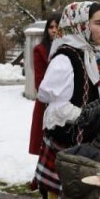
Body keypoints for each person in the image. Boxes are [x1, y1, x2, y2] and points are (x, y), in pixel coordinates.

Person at [34, 1, 100, 199]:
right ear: (80, 25)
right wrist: (87, 115)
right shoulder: (66, 58)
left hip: (88, 148)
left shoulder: (90, 55)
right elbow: (56, 107)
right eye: (98, 23)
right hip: (71, 148)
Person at [29, 13, 61, 156]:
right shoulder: (40, 50)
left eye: (57, 26)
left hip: (66, 104)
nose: (54, 30)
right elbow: (39, 82)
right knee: (45, 146)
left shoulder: (68, 48)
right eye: (51, 27)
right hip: (46, 102)